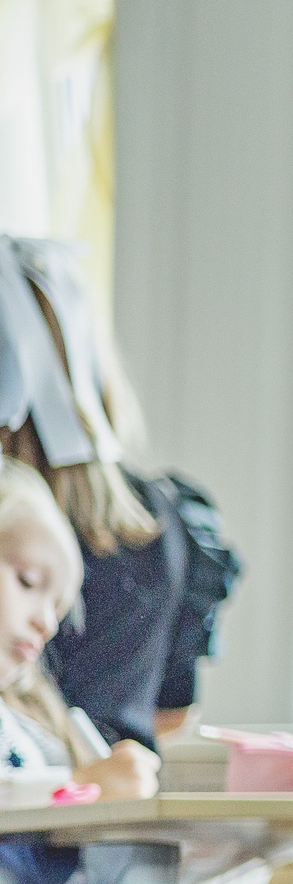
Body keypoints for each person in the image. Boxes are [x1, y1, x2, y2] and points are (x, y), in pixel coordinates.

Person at [0, 237, 237, 752]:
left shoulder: (16, 525)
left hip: (48, 810)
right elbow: (171, 715)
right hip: (112, 815)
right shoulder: (164, 522)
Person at [0, 456, 161, 884]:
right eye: (30, 582)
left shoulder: (29, 726)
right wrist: (78, 787)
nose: (47, 624)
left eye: (58, 608)